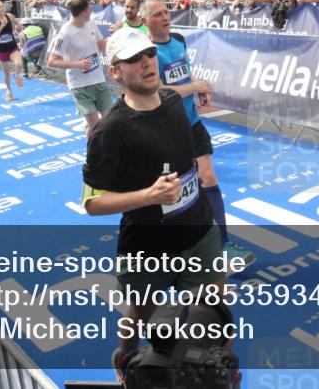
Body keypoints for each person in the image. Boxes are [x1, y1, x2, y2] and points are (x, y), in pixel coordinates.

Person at [81, 28, 224, 370]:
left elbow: (188, 158)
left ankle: (217, 374)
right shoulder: (109, 131)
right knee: (140, 317)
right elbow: (92, 203)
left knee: (215, 316)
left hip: (200, 232)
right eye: (132, 59)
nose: (145, 63)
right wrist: (148, 196)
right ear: (115, 71)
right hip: (147, 248)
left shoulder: (174, 103)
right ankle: (124, 361)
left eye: (147, 54)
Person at [143, 0, 255, 270]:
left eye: (166, 12)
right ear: (146, 21)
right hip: (165, 129)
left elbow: (184, 74)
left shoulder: (179, 40)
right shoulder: (146, 52)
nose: (165, 18)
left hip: (191, 122)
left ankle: (223, 246)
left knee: (207, 177)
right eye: (157, 15)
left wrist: (198, 90)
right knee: (174, 191)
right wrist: (196, 86)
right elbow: (160, 91)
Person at [47, 0, 111, 137]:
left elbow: (100, 46)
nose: (92, 11)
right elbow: (52, 61)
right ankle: (93, 154)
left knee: (108, 121)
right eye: (89, 8)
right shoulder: (65, 33)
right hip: (80, 84)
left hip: (98, 79)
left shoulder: (91, 24)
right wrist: (77, 64)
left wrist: (112, 35)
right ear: (83, 13)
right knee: (96, 124)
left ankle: (88, 126)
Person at [0, 0, 25, 101]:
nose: (1, 9)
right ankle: (9, 92)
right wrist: (2, 26)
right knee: (6, 74)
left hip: (12, 47)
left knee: (19, 65)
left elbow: (18, 24)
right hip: (2, 50)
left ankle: (18, 76)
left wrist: (16, 29)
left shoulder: (9, 16)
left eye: (2, 7)